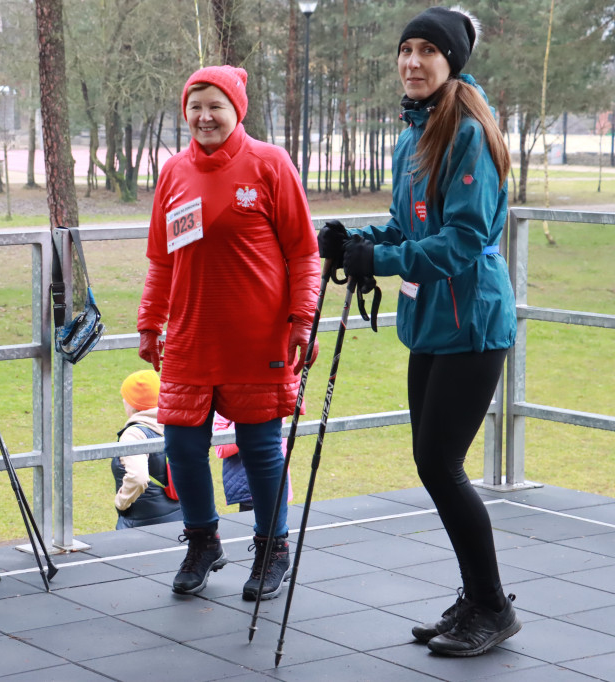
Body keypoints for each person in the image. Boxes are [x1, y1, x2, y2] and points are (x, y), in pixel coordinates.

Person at [319, 7, 520, 657]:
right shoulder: (417, 132)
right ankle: (476, 596)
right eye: (405, 49)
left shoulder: (466, 130)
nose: (412, 61)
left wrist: (380, 260)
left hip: (473, 322)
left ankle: (490, 607)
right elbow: (410, 228)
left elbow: (462, 240)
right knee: (434, 466)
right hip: (431, 321)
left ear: (451, 61)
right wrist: (357, 241)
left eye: (427, 50)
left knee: (439, 464)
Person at [137, 65, 320, 601]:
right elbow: (161, 259)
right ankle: (202, 541)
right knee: (181, 445)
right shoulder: (174, 172)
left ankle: (271, 549)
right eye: (194, 106)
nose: (204, 116)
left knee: (259, 447)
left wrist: (301, 319)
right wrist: (150, 322)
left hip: (258, 336)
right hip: (192, 334)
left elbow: (304, 254)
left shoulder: (269, 163)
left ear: (236, 108)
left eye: (215, 105)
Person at [112, 369, 182, 529]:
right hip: (182, 520)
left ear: (131, 403)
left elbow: (138, 478)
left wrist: (121, 502)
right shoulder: (176, 424)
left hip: (142, 527)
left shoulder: (134, 434)